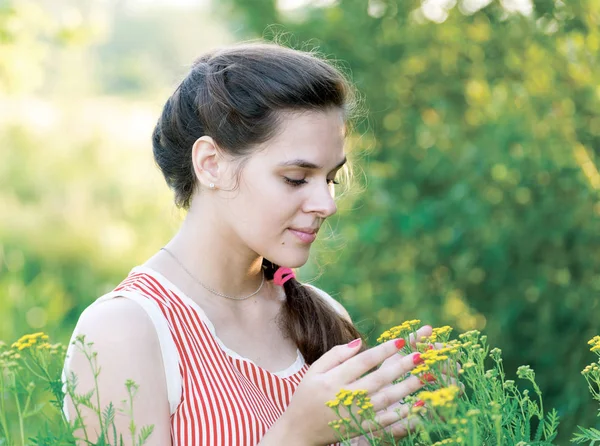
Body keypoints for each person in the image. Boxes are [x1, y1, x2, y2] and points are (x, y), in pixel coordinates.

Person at [62, 41, 434, 446]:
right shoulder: (126, 330)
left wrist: (396, 421)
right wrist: (295, 436)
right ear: (211, 164)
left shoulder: (322, 313)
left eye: (331, 179)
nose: (326, 204)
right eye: (296, 178)